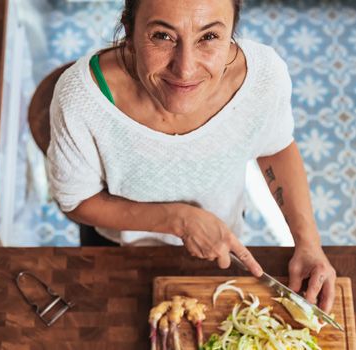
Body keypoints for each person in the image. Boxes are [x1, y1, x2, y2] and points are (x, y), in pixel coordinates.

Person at [47, 0, 336, 313]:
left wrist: (308, 242)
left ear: (231, 34)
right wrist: (179, 220)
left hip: (219, 244)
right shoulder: (79, 98)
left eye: (209, 37)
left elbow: (275, 147)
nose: (185, 69)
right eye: (163, 36)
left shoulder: (264, 77)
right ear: (129, 31)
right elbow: (77, 201)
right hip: (119, 249)